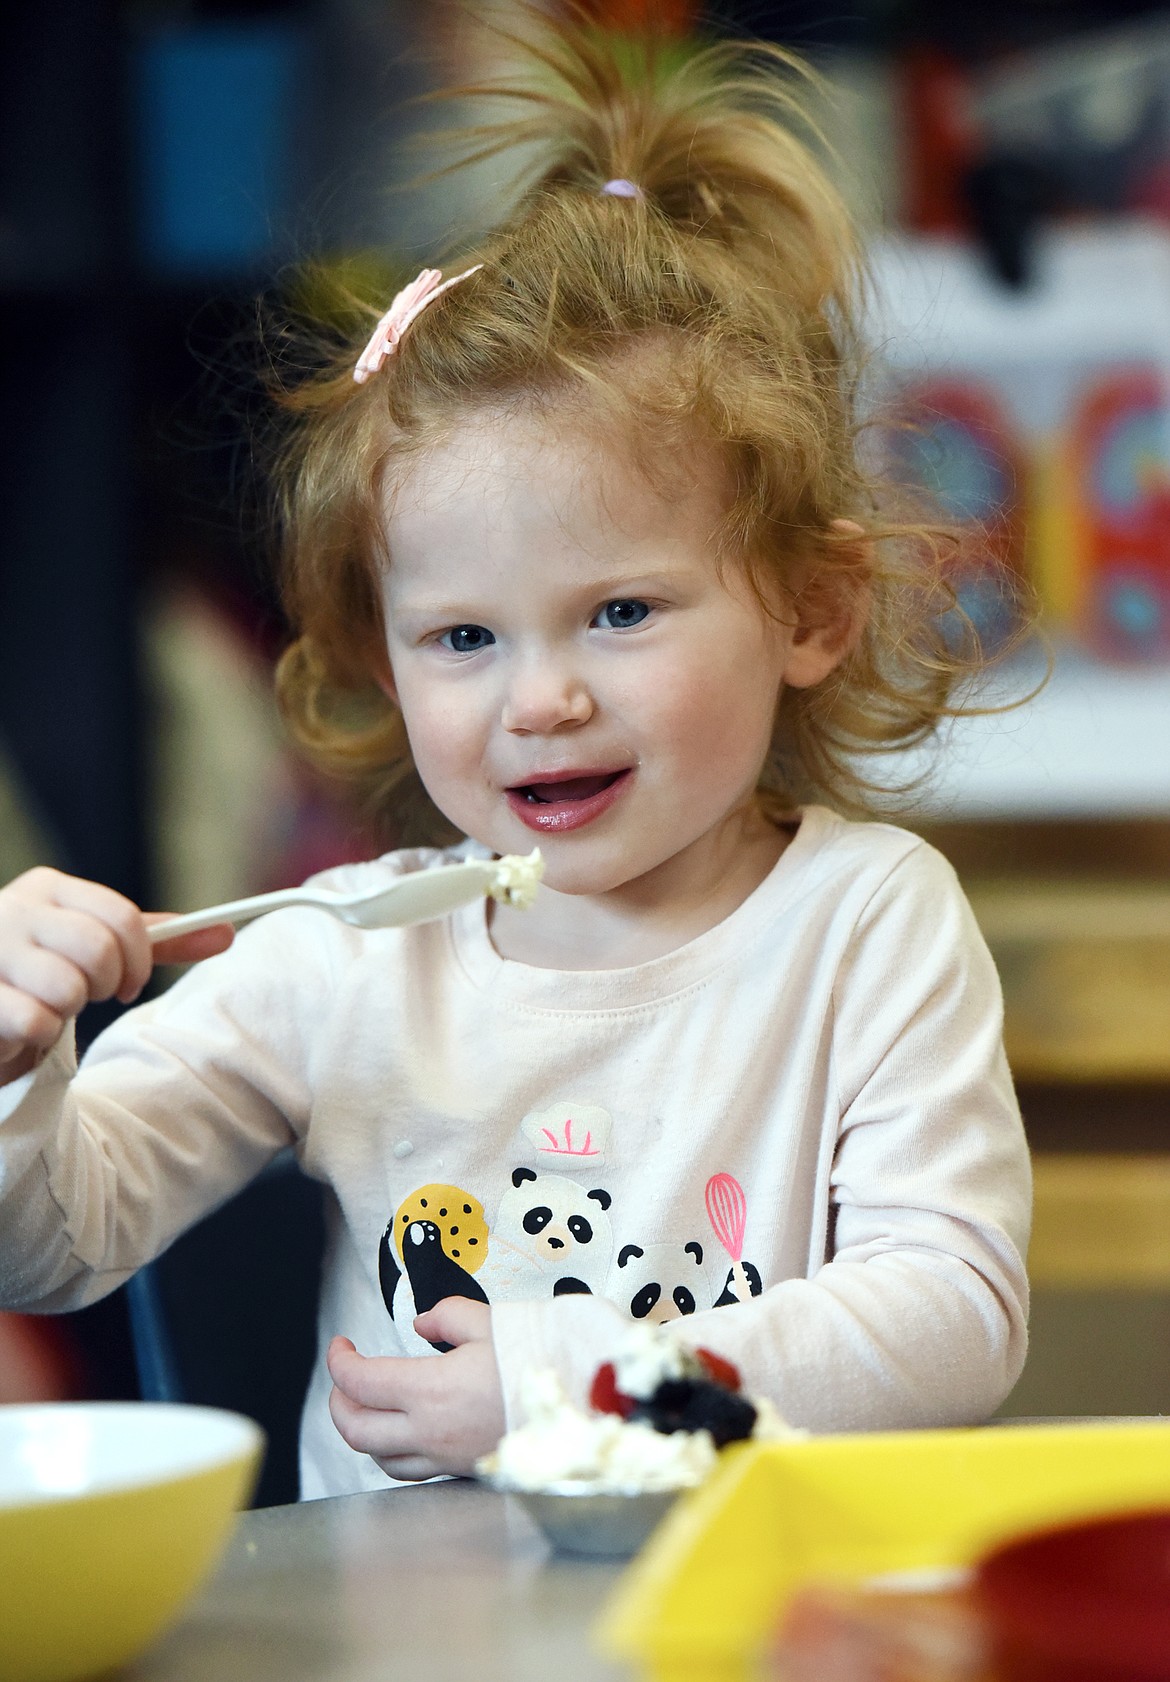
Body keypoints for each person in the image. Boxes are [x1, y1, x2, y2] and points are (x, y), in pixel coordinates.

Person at [0, 9, 1030, 1498]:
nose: (536, 699)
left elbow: (952, 1315)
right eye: (463, 638)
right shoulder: (344, 959)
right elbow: (55, 1244)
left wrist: (563, 1389)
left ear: (810, 609)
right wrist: (24, 1071)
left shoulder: (865, 922)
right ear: (382, 652)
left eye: (617, 611)